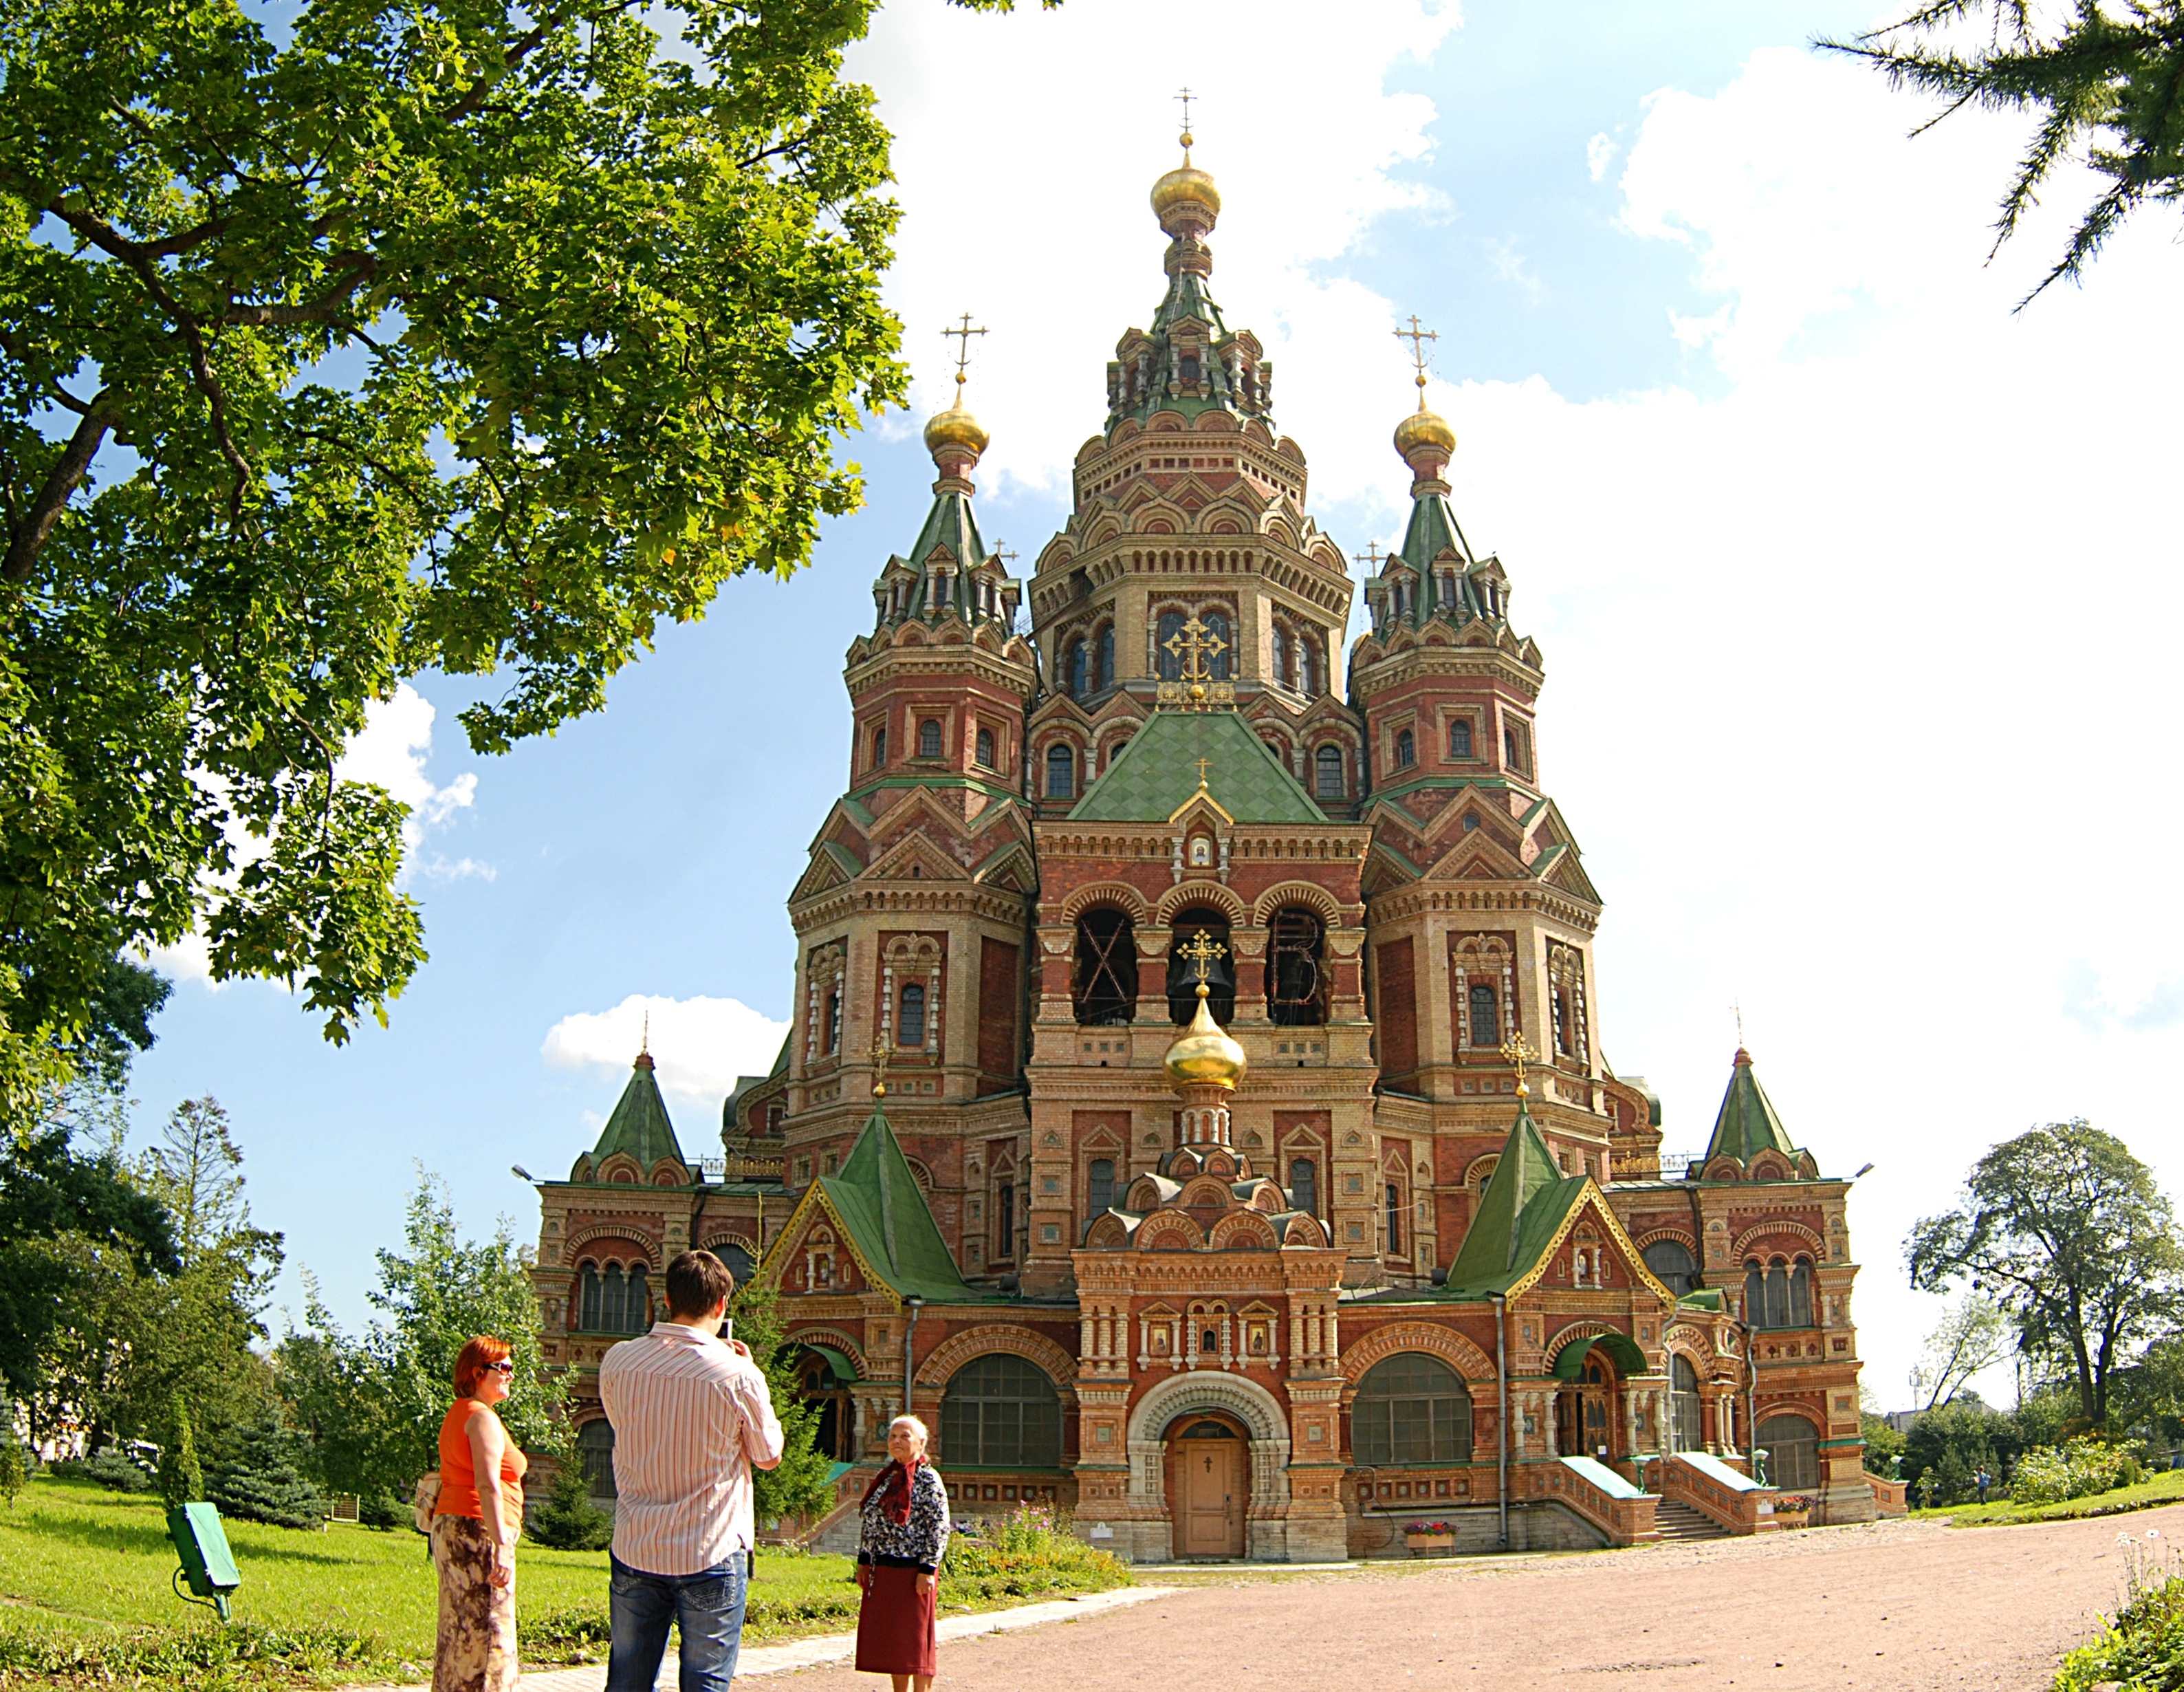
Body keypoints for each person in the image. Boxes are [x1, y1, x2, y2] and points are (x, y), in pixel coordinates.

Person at [598, 1248, 783, 1692]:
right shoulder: (737, 1375)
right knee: (705, 1683)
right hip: (711, 1548)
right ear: (722, 1305)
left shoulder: (618, 1361)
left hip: (637, 1544)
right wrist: (750, 1371)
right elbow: (768, 1454)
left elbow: (621, 1423)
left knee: (627, 1680)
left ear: (667, 1297)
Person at [432, 1334, 528, 1692]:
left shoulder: (461, 1413)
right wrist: (502, 1544)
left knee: (459, 1635)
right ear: (477, 1373)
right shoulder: (482, 1419)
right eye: (501, 1367)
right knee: (489, 1640)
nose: (509, 1374)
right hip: (479, 1533)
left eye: (510, 1368)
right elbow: (487, 1486)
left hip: (456, 1528)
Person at [854, 1414, 952, 1692]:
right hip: (884, 1570)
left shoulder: (928, 1479)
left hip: (914, 1572)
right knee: (895, 1642)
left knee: (916, 1639)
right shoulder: (886, 1477)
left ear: (921, 1442)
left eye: (904, 1436)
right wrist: (864, 1562)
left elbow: (939, 1527)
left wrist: (928, 1569)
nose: (897, 1441)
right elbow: (870, 1521)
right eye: (893, 1436)